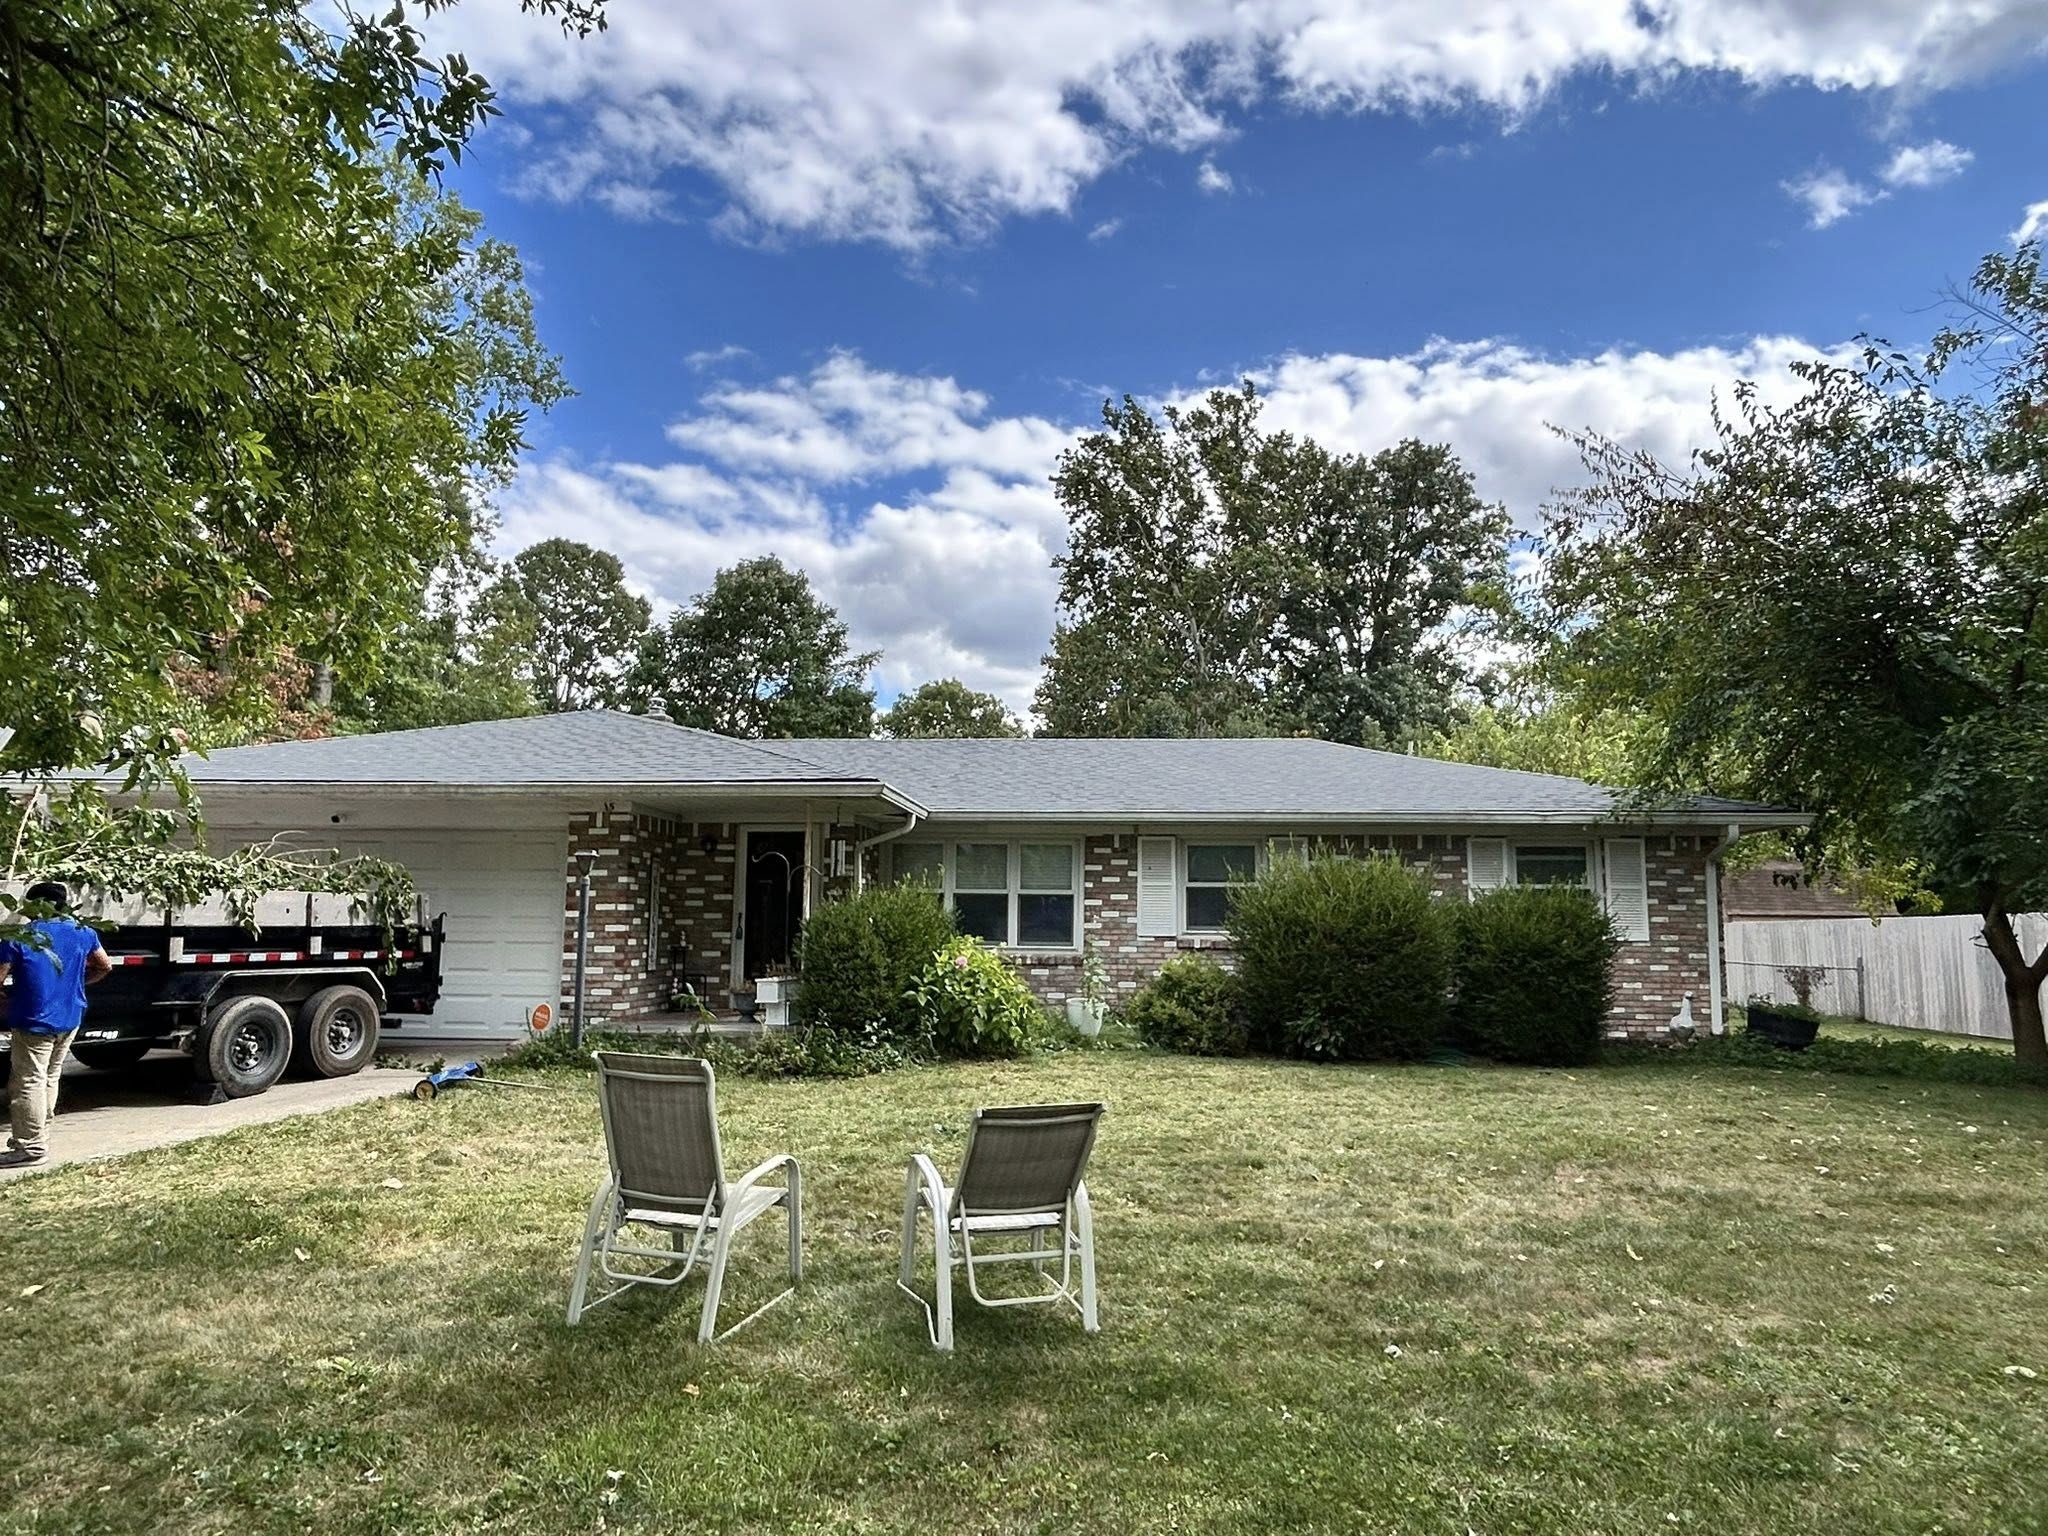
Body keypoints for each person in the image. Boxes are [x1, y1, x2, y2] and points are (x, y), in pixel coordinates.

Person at [0, 881, 112, 1168]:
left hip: (33, 1020)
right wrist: (78, 985)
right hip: (70, 1017)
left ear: (39, 904)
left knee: (29, 1081)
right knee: (49, 1076)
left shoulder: (22, 936)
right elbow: (104, 965)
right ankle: (40, 1136)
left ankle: (30, 1147)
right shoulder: (83, 932)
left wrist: (4, 1002)